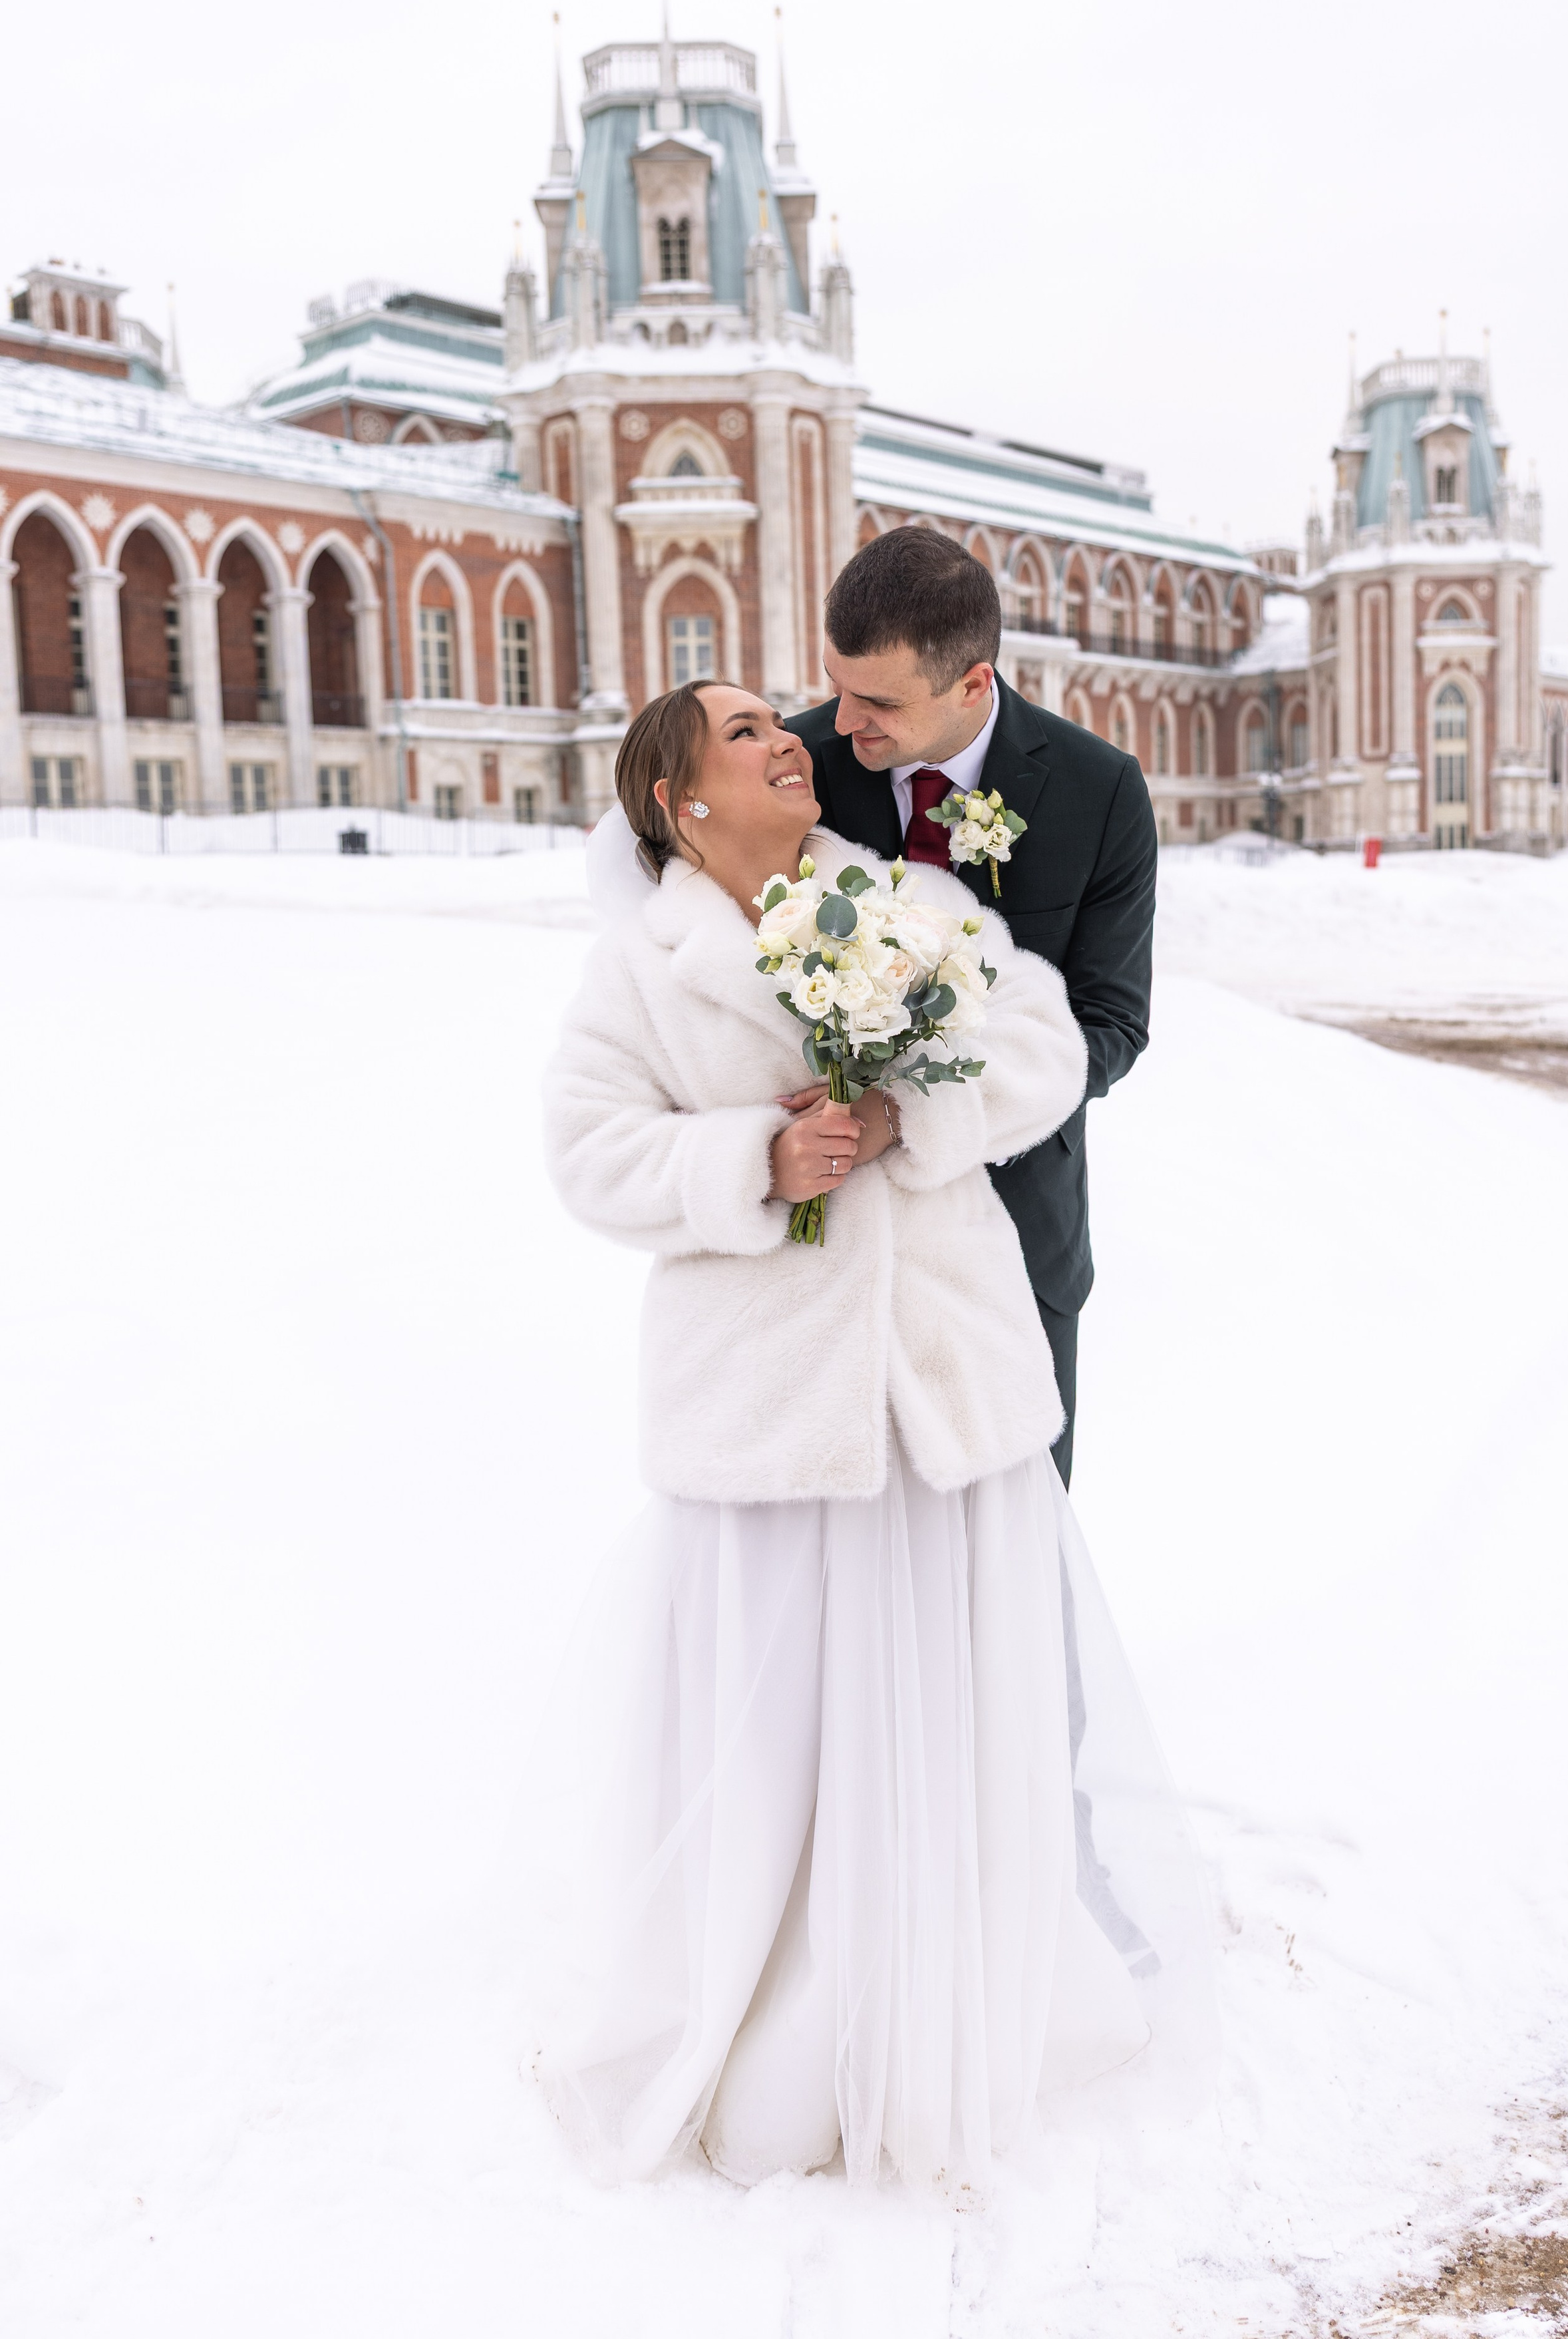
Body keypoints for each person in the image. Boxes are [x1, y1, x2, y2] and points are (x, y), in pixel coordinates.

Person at [516, 679, 1210, 2191]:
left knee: (950, 1704)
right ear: (680, 805)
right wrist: (753, 1155)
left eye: (784, 720)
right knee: (787, 1736)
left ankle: (952, 1993)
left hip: (938, 1387)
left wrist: (915, 1114)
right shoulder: (637, 970)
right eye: (747, 735)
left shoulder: (900, 902)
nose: (790, 741)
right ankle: (780, 2018)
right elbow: (587, 1152)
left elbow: (1035, 1042)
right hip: (769, 1412)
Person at [788, 524, 1158, 1484]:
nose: (843, 721)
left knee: (1020, 1553)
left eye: (878, 703)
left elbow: (1110, 1027)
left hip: (1017, 1221)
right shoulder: (800, 767)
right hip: (834, 1243)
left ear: (974, 685)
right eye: (835, 684)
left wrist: (917, 1113)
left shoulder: (1100, 791)